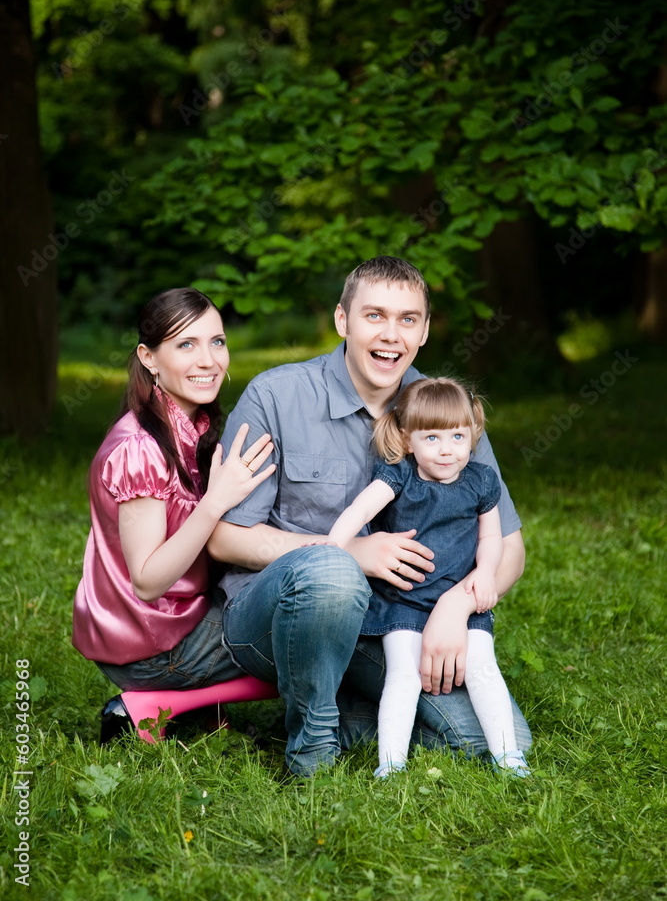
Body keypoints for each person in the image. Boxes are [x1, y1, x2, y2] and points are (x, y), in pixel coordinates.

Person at [210, 256, 531, 777]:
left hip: (395, 621)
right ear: (343, 321)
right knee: (333, 573)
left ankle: (345, 715)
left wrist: (456, 602)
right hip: (277, 617)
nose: (391, 335)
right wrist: (347, 553)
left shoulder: (444, 410)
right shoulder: (276, 395)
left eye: (408, 319)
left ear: (425, 330)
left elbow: (509, 547)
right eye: (374, 315)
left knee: (492, 741)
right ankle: (311, 746)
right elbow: (224, 537)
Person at [308, 377, 530, 778]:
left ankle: (509, 755)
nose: (447, 450)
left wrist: (483, 573)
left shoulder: (480, 480)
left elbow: (491, 535)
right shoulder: (400, 477)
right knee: (404, 676)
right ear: (408, 440)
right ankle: (390, 764)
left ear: (473, 435)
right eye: (431, 438)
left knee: (482, 667)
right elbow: (360, 511)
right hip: (404, 601)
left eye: (458, 436)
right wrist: (334, 545)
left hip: (460, 601)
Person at [72, 288, 275, 693]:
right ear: (149, 358)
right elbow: (147, 581)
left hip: (180, 619)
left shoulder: (186, 427)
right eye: (186, 345)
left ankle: (203, 709)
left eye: (217, 342)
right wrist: (216, 501)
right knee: (307, 618)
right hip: (154, 649)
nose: (208, 360)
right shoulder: (140, 449)